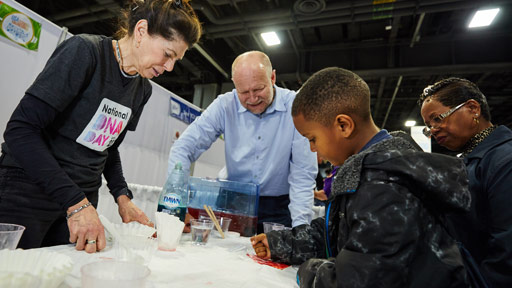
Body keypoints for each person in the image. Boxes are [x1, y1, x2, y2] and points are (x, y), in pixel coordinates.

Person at [0, 0, 201, 253]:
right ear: (140, 31)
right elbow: (20, 130)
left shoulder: (142, 90)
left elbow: (108, 148)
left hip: (81, 200)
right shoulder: (85, 52)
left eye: (176, 60)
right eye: (168, 54)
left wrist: (123, 198)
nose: (170, 67)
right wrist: (76, 203)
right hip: (29, 192)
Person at [251, 67, 471, 287]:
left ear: (343, 125)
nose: (312, 149)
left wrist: (308, 270)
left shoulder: (384, 185)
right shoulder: (371, 171)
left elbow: (358, 280)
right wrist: (283, 244)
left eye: (313, 138)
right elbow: (338, 230)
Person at [168, 51, 317, 233]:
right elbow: (183, 148)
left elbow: (302, 175)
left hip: (278, 207)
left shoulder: (296, 107)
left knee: (278, 260)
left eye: (258, 89)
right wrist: (177, 204)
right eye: (244, 92)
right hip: (232, 202)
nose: (252, 99)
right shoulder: (224, 105)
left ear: (272, 77)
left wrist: (301, 229)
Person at [419, 77, 512, 287]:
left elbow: (507, 248)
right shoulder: (468, 162)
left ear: (472, 108)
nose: (433, 130)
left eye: (437, 118)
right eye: (428, 125)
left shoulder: (505, 160)